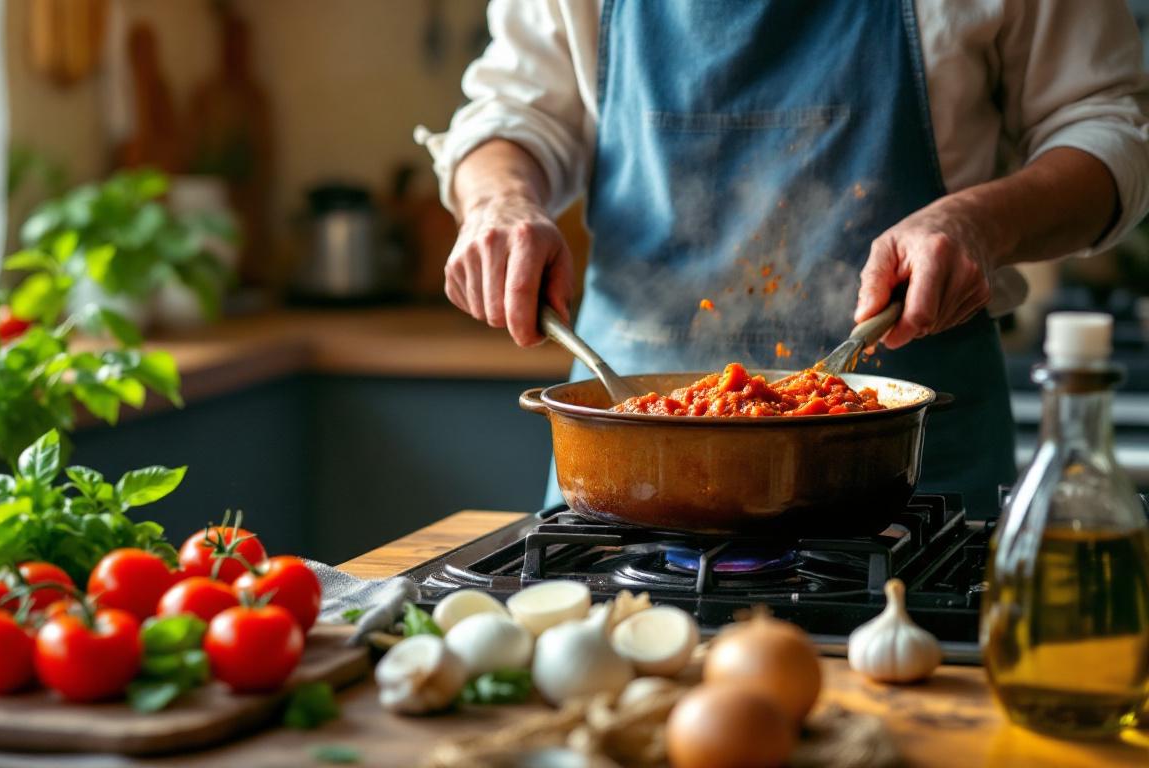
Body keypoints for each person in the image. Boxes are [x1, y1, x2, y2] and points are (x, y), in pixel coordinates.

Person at [418, 0, 1149, 515]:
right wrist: (499, 201)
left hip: (906, 467)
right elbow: (512, 113)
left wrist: (979, 223)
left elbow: (1111, 128)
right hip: (626, 461)